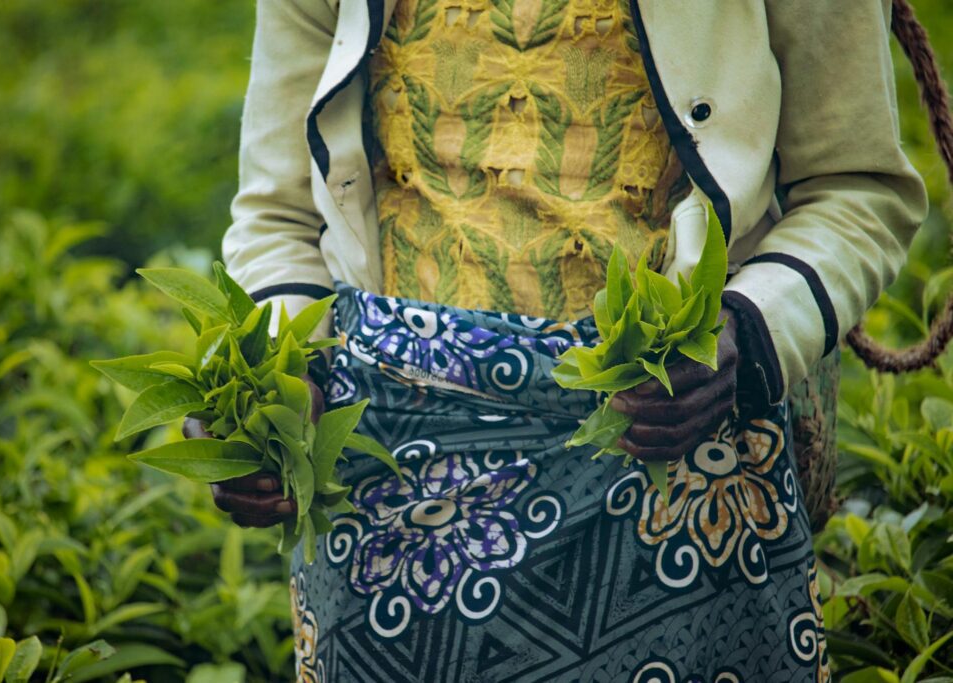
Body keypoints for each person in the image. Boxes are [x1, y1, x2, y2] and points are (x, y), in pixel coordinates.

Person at [191, 0, 928, 680]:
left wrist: (747, 331)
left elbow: (855, 187)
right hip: (386, 482)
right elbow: (279, 214)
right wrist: (271, 383)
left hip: (674, 461)